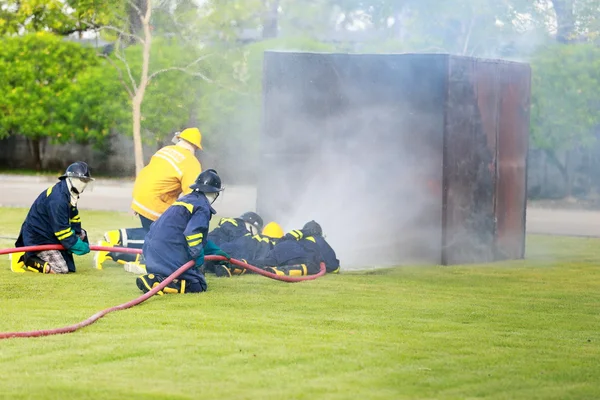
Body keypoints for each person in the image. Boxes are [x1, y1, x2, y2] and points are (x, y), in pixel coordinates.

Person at [94, 127, 203, 269]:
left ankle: (123, 253)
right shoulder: (190, 162)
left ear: (179, 139)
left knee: (151, 234)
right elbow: (192, 194)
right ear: (195, 146)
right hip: (156, 200)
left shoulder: (165, 150)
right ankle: (115, 239)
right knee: (167, 239)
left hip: (140, 194)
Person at [135, 169, 230, 295]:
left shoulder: (186, 200)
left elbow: (194, 236)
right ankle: (157, 281)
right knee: (198, 285)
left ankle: (157, 277)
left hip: (151, 250)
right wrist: (199, 259)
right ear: (214, 193)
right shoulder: (202, 207)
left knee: (177, 273)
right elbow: (193, 234)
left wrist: (215, 251)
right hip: (169, 249)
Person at [10, 162, 94, 274]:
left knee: (78, 243)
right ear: (73, 179)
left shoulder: (69, 192)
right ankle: (26, 257)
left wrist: (79, 235)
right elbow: (62, 233)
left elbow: (74, 217)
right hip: (38, 237)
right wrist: (79, 246)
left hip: (50, 232)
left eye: (86, 181)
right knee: (61, 269)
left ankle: (41, 254)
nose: (84, 184)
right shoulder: (58, 200)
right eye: (83, 181)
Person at [251, 220, 340, 276]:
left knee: (260, 263)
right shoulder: (318, 240)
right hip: (299, 255)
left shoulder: (298, 236)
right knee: (312, 266)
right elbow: (334, 266)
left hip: (281, 249)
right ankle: (278, 271)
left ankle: (241, 265)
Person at [210, 221, 285, 277]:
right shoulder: (271, 246)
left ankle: (217, 264)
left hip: (224, 248)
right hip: (239, 256)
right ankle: (230, 266)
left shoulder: (252, 238)